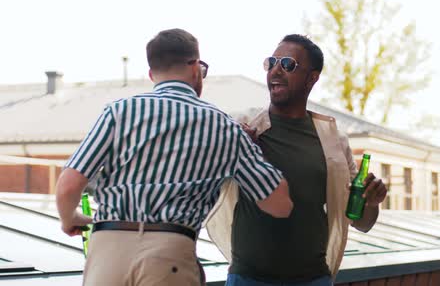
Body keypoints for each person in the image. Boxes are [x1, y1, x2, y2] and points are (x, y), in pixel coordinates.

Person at [55, 28, 293, 286]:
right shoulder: (223, 127)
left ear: (151, 74)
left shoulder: (118, 112)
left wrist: (71, 219)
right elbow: (279, 204)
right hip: (170, 255)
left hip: (107, 253)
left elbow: (68, 186)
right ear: (195, 68)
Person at [206, 34, 387, 286]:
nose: (276, 71)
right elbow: (201, 183)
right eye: (272, 62)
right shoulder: (240, 127)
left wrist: (372, 202)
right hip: (248, 279)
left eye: (288, 64)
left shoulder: (333, 141)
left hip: (313, 279)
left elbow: (361, 222)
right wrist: (239, 152)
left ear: (312, 78)